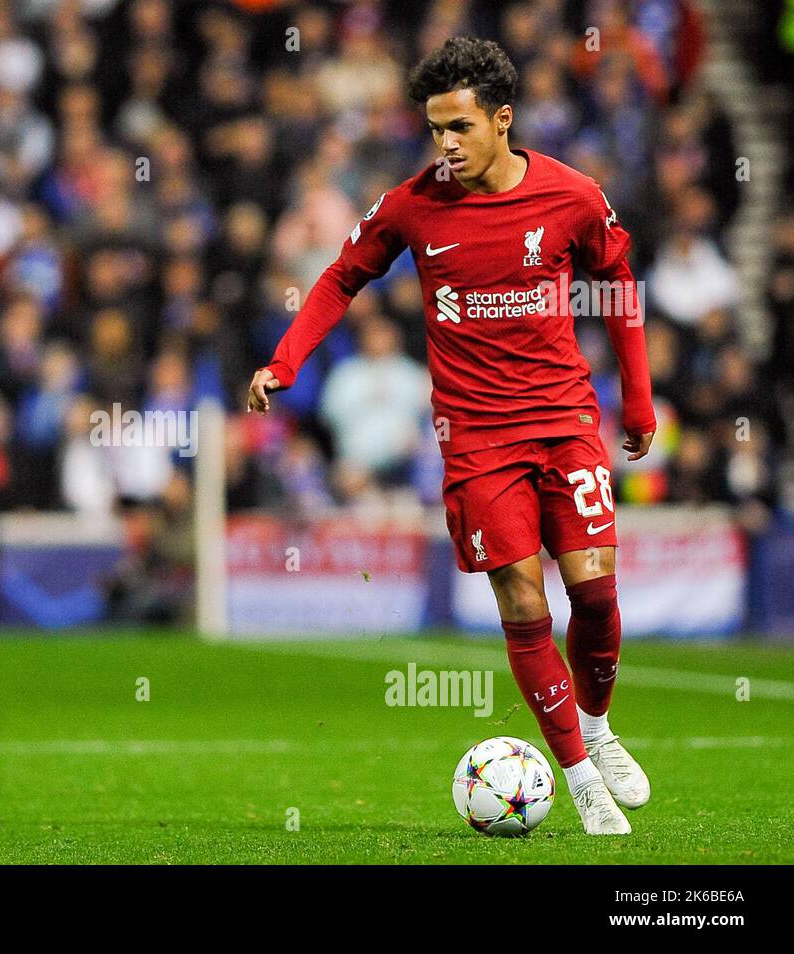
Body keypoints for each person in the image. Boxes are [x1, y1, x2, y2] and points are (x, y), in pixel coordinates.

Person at [247, 37, 654, 836]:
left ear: (502, 120)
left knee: (597, 596)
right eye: (435, 129)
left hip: (566, 423)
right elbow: (341, 275)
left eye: (460, 128)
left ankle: (598, 727)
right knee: (522, 595)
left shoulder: (572, 196)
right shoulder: (412, 204)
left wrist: (637, 400)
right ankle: (577, 778)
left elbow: (620, 283)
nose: (445, 145)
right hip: (475, 440)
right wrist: (284, 361)